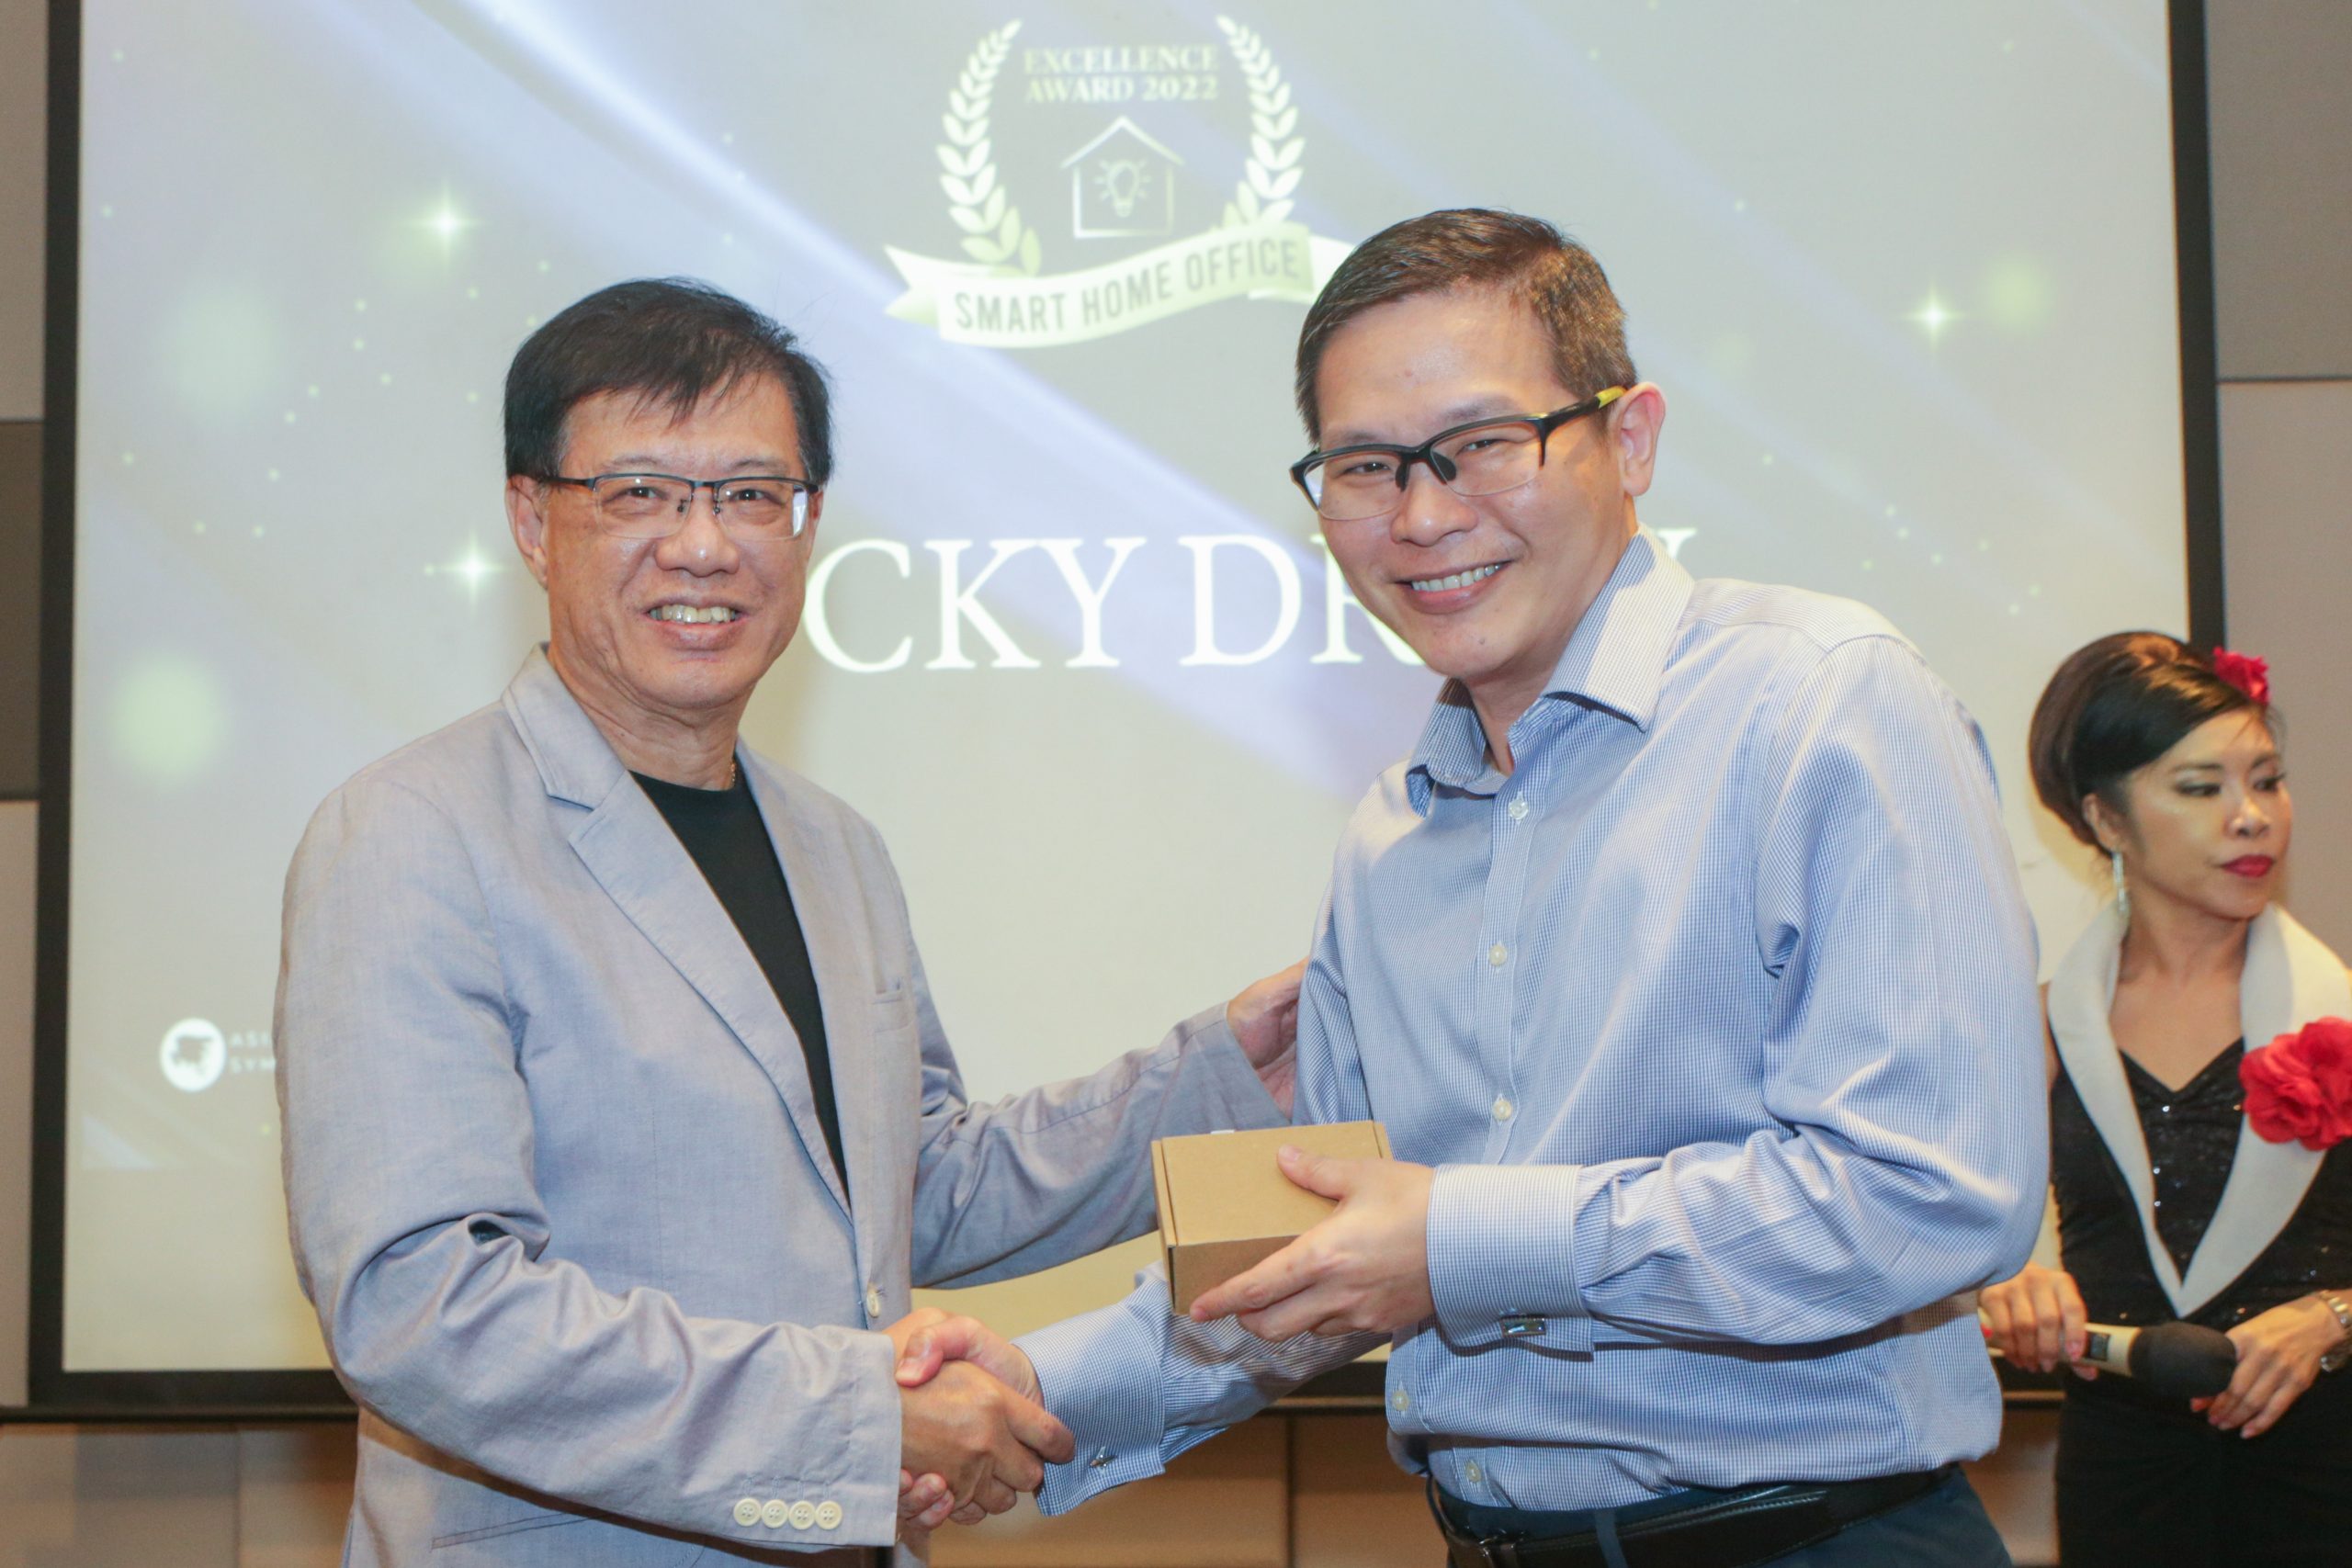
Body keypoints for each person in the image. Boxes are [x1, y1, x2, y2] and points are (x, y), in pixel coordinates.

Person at [899, 209, 2048, 1565]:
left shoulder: (1823, 705)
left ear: (1630, 439)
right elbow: (1320, 1252)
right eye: (1365, 466)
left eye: (1485, 443)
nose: (1425, 514)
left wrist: (1464, 1241)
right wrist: (1037, 1386)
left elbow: (1928, 1194)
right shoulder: (1391, 834)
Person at [274, 277, 1298, 1568]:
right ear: (532, 520)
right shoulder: (412, 834)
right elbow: (423, 1305)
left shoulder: (833, 845)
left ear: (808, 523)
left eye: (754, 494)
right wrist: (860, 1418)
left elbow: (904, 1188)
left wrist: (1220, 1077)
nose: (705, 546)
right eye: (640, 493)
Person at [1977, 633, 2352, 1567]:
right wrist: (2007, 1279)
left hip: (2330, 1464)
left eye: (2266, 781)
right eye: (2200, 787)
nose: (2251, 817)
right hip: (2124, 1474)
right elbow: (1939, 1242)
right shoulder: (2039, 1029)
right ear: (2105, 820)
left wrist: (2332, 1317)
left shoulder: (2340, 1013)